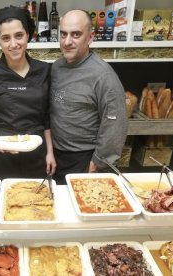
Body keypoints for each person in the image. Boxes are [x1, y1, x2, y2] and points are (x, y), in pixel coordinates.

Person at [0, 6, 56, 179]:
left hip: (37, 155)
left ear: (28, 35)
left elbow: (47, 118)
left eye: (19, 35)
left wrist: (50, 152)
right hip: (2, 156)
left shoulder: (44, 70)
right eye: (6, 38)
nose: (13, 44)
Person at [50, 9, 128, 184]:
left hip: (85, 160)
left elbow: (116, 125)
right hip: (56, 157)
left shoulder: (103, 76)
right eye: (63, 34)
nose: (67, 41)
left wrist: (99, 162)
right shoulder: (56, 67)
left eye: (76, 34)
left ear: (90, 37)